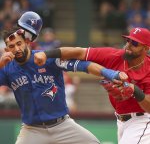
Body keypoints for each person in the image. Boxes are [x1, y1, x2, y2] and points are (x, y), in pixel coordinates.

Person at [0, 11, 127, 144]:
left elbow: (84, 65)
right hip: (32, 130)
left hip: (62, 126)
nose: (16, 48)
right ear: (7, 50)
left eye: (19, 43)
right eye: (11, 46)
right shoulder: (7, 69)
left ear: (27, 42)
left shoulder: (46, 57)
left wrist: (109, 73)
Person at [34, 27, 150, 144]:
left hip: (142, 120)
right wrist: (45, 54)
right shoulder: (114, 55)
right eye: (128, 40)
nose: (128, 45)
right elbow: (79, 52)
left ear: (146, 48)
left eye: (134, 43)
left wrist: (135, 90)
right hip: (121, 121)